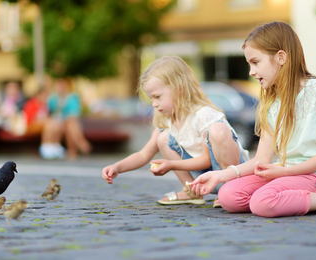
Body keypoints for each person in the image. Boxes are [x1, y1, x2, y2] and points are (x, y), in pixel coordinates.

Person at [190, 21, 316, 217]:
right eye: (249, 64)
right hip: (284, 173)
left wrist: (283, 173)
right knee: (228, 195)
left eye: (255, 62)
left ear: (281, 57)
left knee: (261, 202)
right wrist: (219, 175)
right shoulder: (271, 104)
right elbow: (261, 159)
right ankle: (288, 198)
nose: (251, 72)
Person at [101, 56, 249, 205]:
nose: (154, 104)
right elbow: (143, 154)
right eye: (151, 98)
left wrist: (171, 165)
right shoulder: (167, 120)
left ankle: (231, 188)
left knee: (218, 130)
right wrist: (117, 167)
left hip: (229, 173)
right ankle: (192, 190)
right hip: (202, 178)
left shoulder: (204, 115)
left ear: (179, 89)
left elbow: (206, 160)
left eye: (157, 97)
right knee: (163, 139)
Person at [39, 77, 92, 160]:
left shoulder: (73, 97)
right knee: (67, 125)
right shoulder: (53, 98)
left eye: (62, 85)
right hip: (58, 124)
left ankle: (72, 150)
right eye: (59, 85)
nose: (61, 88)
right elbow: (48, 111)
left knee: (70, 124)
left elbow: (75, 113)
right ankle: (80, 144)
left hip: (69, 122)